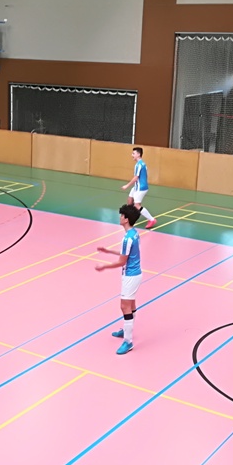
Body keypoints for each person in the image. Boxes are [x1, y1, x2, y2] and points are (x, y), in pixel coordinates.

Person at [95, 204, 142, 355]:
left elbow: (122, 261)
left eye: (122, 215)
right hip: (135, 274)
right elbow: (126, 253)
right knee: (131, 305)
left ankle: (128, 341)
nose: (120, 217)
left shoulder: (127, 239)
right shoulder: (134, 233)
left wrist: (104, 266)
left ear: (126, 219)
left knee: (124, 306)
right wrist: (108, 251)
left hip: (130, 276)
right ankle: (126, 330)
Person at [121, 146, 156, 229]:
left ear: (138, 154)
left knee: (137, 205)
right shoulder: (141, 163)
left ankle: (151, 219)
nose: (132, 155)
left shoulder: (139, 165)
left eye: (133, 153)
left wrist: (127, 185)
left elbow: (136, 178)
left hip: (141, 188)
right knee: (130, 200)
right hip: (137, 187)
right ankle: (130, 217)